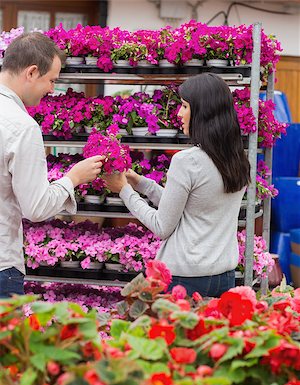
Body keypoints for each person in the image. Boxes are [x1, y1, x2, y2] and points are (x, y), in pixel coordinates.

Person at [103, 73, 251, 297]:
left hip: (185, 279)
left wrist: (123, 190)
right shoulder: (237, 159)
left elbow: (161, 226)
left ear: (203, 112)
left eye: (184, 106)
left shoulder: (187, 161)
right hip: (224, 276)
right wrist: (140, 183)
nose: (179, 114)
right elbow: (192, 206)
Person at [0, 32, 104, 298]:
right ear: (32, 72)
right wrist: (74, 177)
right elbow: (36, 208)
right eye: (51, 80)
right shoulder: (22, 127)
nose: (51, 90)